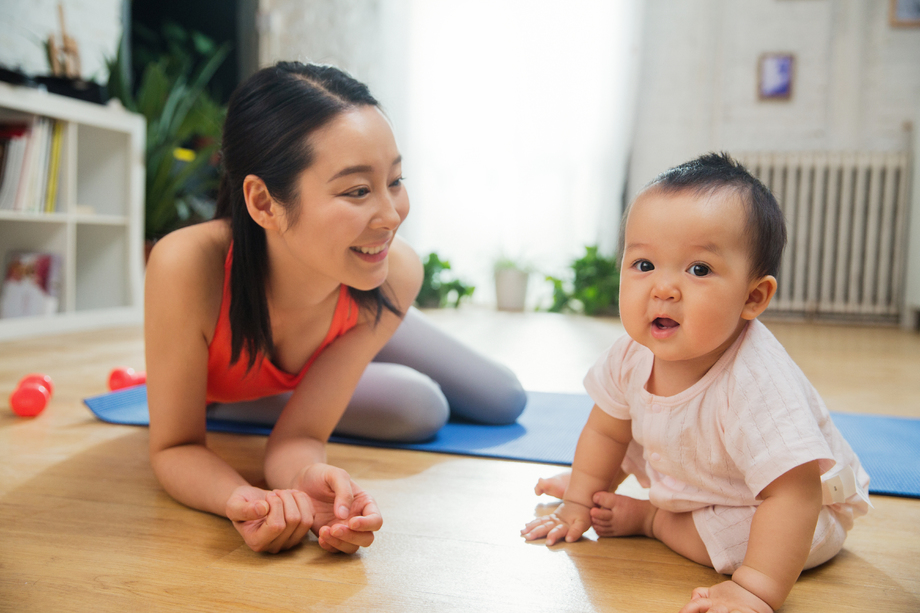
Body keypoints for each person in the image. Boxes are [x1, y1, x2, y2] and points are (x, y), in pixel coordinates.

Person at [145, 62, 525, 556]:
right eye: (357, 191)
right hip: (264, 357)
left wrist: (305, 472)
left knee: (504, 398)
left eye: (395, 180)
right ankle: (279, 387)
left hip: (359, 298)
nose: (391, 216)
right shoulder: (187, 267)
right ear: (264, 203)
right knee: (421, 407)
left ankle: (367, 344)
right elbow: (175, 447)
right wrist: (253, 499)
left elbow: (300, 435)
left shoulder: (396, 270)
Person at [520, 153, 869, 613]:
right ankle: (605, 488)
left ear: (753, 296)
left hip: (801, 512)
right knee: (622, 429)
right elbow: (606, 430)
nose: (663, 288)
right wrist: (578, 504)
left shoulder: (758, 382)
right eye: (644, 265)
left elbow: (794, 494)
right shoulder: (630, 354)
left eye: (698, 269)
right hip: (703, 478)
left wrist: (754, 589)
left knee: (745, 540)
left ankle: (654, 520)